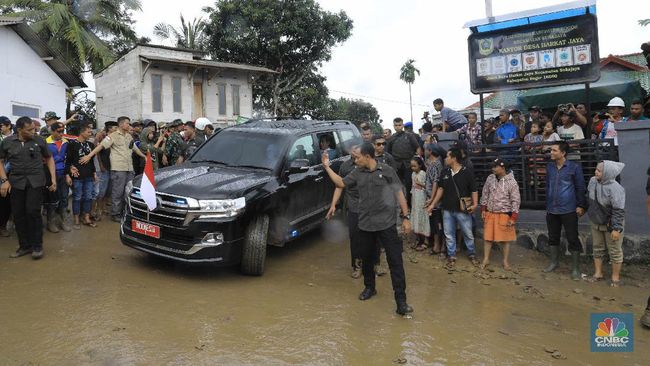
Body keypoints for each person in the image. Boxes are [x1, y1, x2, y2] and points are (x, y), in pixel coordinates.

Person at [322, 142, 414, 315]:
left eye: (358, 158)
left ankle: (401, 301)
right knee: (367, 260)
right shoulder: (357, 173)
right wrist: (326, 167)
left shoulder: (386, 170)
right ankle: (369, 288)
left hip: (386, 225)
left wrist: (406, 217)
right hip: (365, 225)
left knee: (396, 262)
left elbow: (399, 193)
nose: (355, 161)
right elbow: (341, 183)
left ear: (368, 156)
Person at [0, 117, 56, 259]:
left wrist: (53, 179)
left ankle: (37, 246)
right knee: (18, 214)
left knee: (33, 212)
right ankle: (24, 246)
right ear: (19, 130)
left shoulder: (39, 141)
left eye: (34, 128)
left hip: (35, 182)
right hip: (16, 182)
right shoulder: (7, 142)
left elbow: (49, 158)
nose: (34, 131)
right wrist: (4, 180)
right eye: (29, 129)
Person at [80, 116, 147, 222]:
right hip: (118, 169)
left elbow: (134, 148)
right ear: (120, 124)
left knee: (127, 192)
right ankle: (115, 214)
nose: (129, 126)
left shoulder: (129, 136)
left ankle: (124, 212)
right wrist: (89, 156)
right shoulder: (112, 136)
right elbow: (100, 146)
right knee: (117, 192)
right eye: (127, 123)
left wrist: (144, 156)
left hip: (129, 168)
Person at [429, 147, 479, 268]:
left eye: (447, 156)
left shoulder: (467, 172)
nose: (445, 159)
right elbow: (441, 189)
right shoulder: (445, 172)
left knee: (467, 233)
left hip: (462, 209)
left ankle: (471, 253)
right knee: (449, 233)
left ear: (454, 158)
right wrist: (432, 204)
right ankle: (451, 255)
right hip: (447, 208)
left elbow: (474, 190)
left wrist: (475, 204)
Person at [543, 142, 586, 280]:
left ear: (563, 153)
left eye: (554, 150)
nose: (551, 152)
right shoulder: (550, 167)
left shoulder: (574, 167)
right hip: (552, 209)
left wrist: (581, 205)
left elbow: (580, 187)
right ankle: (554, 262)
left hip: (569, 209)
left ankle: (575, 269)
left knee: (572, 238)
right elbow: (548, 186)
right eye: (551, 150)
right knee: (553, 237)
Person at [586, 161, 625, 287]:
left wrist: (617, 228)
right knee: (597, 247)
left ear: (608, 173)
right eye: (596, 169)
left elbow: (619, 210)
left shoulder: (616, 188)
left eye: (599, 171)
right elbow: (589, 198)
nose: (596, 172)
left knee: (614, 250)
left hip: (611, 223)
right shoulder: (592, 181)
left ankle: (615, 277)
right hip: (596, 220)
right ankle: (598, 273)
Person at [326, 145, 362, 278]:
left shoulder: (369, 165)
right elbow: (339, 185)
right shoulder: (345, 166)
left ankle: (374, 264)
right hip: (352, 205)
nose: (355, 153)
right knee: (354, 237)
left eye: (357, 151)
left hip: (370, 207)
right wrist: (333, 204)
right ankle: (357, 266)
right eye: (353, 151)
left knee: (372, 237)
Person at [480, 159, 520, 270]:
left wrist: (513, 217)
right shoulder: (490, 178)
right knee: (487, 238)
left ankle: (505, 261)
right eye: (492, 166)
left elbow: (515, 200)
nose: (493, 168)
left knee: (505, 240)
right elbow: (485, 193)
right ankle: (486, 259)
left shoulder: (512, 182)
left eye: (495, 166)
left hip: (504, 214)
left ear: (502, 168)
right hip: (490, 212)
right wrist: (483, 209)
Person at [65, 124, 97, 229]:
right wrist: (68, 175)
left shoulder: (91, 145)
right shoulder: (72, 145)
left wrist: (94, 173)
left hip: (89, 176)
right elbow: (68, 161)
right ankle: (76, 219)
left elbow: (92, 161)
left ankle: (86, 217)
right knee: (77, 197)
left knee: (88, 197)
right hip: (77, 176)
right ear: (82, 132)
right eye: (88, 132)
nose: (90, 133)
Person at [45, 122, 72, 232]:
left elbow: (69, 160)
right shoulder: (45, 142)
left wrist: (68, 174)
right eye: (59, 131)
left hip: (63, 173)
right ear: (52, 131)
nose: (61, 134)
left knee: (64, 198)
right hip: (50, 174)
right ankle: (51, 222)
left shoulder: (66, 143)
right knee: (52, 199)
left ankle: (63, 221)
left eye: (63, 131)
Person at [386, 117, 419, 202]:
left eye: (399, 125)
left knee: (409, 185)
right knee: (398, 186)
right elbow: (387, 153)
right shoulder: (391, 138)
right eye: (396, 125)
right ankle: (401, 205)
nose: (398, 127)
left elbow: (417, 147)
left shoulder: (409, 136)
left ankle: (409, 204)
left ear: (402, 125)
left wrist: (417, 159)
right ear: (393, 126)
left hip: (408, 164)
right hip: (396, 165)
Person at [92, 121, 118, 220]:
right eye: (114, 128)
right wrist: (101, 165)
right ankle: (97, 210)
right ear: (109, 129)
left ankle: (103, 208)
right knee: (101, 191)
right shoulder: (103, 138)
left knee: (108, 190)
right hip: (104, 168)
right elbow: (97, 151)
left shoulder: (115, 138)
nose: (116, 129)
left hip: (112, 167)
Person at [424, 144, 445, 255]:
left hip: (435, 200)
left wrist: (432, 199)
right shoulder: (434, 164)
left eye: (426, 150)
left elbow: (436, 183)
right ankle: (438, 245)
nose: (425, 151)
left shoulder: (435, 165)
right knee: (435, 222)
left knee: (437, 223)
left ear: (430, 151)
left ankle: (438, 246)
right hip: (432, 198)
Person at [410, 156, 429, 250]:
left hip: (422, 198)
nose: (413, 168)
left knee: (422, 218)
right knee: (416, 217)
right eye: (412, 166)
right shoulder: (413, 174)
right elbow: (413, 187)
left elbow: (427, 186)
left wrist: (420, 184)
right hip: (415, 199)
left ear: (420, 166)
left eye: (415, 166)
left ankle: (426, 241)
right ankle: (419, 239)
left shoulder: (423, 173)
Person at [0, 116, 12, 236]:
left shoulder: (14, 139)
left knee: (5, 201)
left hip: (8, 174)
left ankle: (3, 226)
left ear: (8, 126)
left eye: (1, 126)